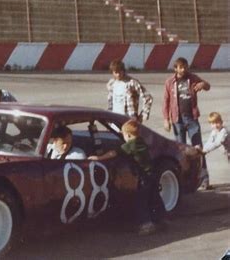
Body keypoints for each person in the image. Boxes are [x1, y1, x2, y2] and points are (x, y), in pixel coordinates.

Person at [88, 120, 166, 235]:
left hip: (144, 177)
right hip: (152, 174)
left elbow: (113, 153)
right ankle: (160, 219)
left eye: (123, 135)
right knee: (154, 197)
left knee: (141, 201)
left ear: (128, 135)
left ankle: (146, 225)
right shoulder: (140, 141)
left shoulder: (131, 144)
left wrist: (98, 158)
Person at [162, 57, 211, 187]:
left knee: (198, 148)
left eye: (185, 67)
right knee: (180, 151)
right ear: (175, 68)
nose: (183, 69)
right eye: (180, 67)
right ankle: (183, 179)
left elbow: (208, 86)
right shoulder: (169, 82)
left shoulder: (193, 78)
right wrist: (166, 119)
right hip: (177, 120)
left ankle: (204, 178)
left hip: (192, 118)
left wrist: (203, 84)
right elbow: (166, 102)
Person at [194, 112, 229, 188]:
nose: (215, 125)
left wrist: (205, 151)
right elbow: (210, 141)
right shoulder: (214, 132)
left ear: (221, 122)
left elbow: (217, 143)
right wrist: (203, 149)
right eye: (213, 123)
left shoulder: (224, 132)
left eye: (217, 123)